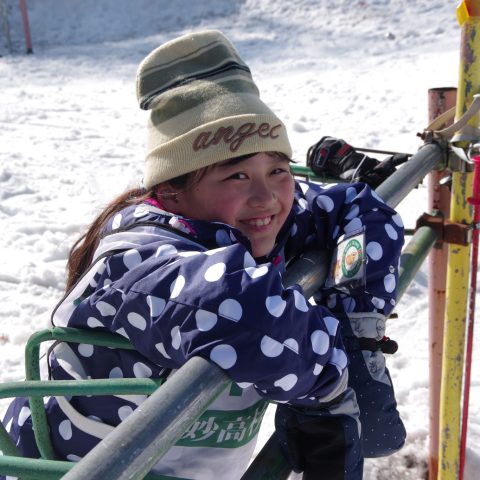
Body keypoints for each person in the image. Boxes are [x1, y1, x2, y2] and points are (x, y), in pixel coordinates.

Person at [1, 30, 405, 480]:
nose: (267, 197)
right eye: (236, 176)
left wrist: (357, 321)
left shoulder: (255, 219)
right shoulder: (136, 260)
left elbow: (361, 209)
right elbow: (241, 314)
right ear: (172, 190)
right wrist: (330, 389)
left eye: (277, 169)